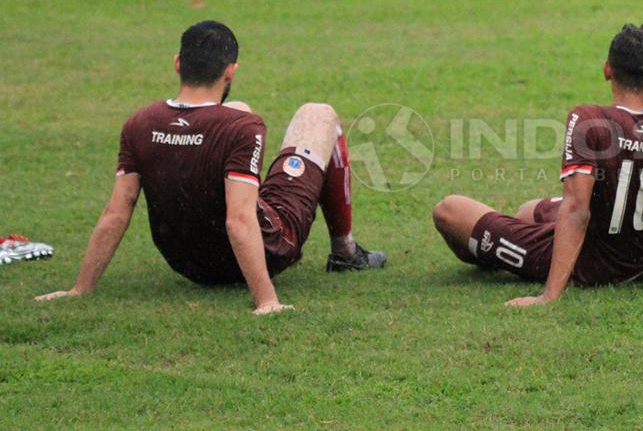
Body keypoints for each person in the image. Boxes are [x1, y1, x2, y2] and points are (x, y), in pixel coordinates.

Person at [36, 21, 385, 315]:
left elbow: (116, 211)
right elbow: (239, 219)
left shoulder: (139, 123)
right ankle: (345, 253)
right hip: (261, 251)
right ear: (230, 70)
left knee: (238, 108)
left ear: (177, 63)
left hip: (189, 264)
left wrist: (80, 288)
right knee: (318, 113)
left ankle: (256, 200)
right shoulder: (241, 129)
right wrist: (266, 301)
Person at [432, 24, 643, 308]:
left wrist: (549, 295)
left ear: (607, 70)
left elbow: (577, 210)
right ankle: (507, 239)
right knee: (529, 210)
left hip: (590, 266)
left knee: (449, 210)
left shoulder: (589, 120)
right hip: (637, 265)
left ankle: (493, 254)